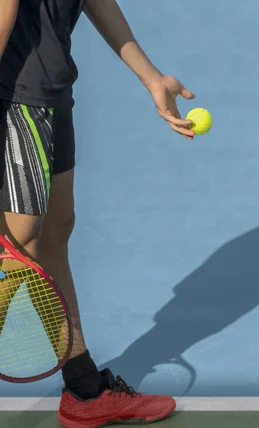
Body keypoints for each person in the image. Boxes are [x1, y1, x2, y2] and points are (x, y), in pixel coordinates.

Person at [0, 0, 196, 426]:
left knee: (55, 232)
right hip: (16, 96)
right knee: (20, 251)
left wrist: (152, 78)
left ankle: (86, 392)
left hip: (52, 93)